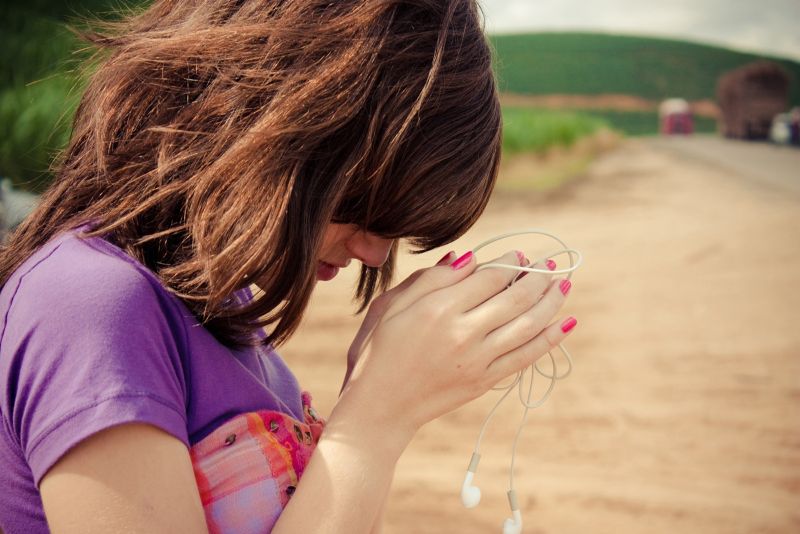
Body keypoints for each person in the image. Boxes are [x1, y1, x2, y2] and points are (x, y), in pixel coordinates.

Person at [0, 0, 577, 532]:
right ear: (262, 124)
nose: (375, 254)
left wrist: (372, 401)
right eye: (363, 208)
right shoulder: (89, 304)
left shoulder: (222, 309)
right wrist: (373, 422)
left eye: (395, 230)